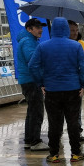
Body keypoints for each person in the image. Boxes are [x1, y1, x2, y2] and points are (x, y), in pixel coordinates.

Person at [28, 17, 84, 163]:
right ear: (67, 29)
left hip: (52, 90)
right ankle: (75, 153)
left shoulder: (43, 46)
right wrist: (83, 84)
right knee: (73, 122)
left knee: (54, 123)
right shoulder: (75, 46)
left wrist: (41, 82)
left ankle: (54, 154)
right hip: (73, 89)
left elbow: (32, 66)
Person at [16, 18, 48, 151]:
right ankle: (35, 141)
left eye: (41, 27)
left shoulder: (30, 41)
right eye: (37, 27)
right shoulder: (28, 42)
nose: (41, 30)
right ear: (30, 29)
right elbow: (33, 61)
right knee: (36, 111)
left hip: (28, 80)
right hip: (32, 80)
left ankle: (29, 140)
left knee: (31, 111)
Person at [69, 21, 84, 143]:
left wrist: (82, 73)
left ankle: (77, 131)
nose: (75, 33)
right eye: (72, 30)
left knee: (76, 110)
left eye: (76, 30)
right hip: (61, 83)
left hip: (76, 82)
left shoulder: (83, 45)